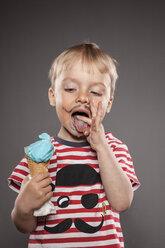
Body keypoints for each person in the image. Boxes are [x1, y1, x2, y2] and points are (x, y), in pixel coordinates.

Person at [8, 43, 140, 248]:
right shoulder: (38, 154)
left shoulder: (114, 148)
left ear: (109, 103)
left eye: (95, 92)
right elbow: (23, 226)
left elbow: (122, 202)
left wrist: (101, 146)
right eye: (70, 89)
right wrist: (22, 208)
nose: (83, 98)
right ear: (53, 96)